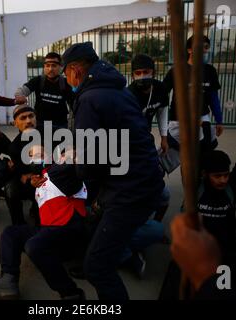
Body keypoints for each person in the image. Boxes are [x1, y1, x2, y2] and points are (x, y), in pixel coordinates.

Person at [62, 42, 165, 299]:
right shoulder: (119, 90)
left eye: (66, 74)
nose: (67, 80)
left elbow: (90, 165)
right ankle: (125, 254)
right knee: (95, 223)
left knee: (96, 267)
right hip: (143, 182)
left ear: (74, 70)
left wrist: (74, 160)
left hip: (129, 190)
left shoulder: (88, 98)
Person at [160, 104, 236, 300]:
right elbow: (191, 155)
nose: (223, 180)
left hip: (223, 254)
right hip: (194, 251)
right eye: (217, 176)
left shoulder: (231, 188)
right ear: (204, 175)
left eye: (226, 175)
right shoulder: (195, 188)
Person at [0, 145, 87, 300]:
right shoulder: (43, 177)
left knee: (35, 245)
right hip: (49, 232)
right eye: (33, 155)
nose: (37, 157)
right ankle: (8, 280)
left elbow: (73, 168)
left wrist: (74, 158)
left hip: (68, 234)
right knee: (11, 233)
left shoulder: (64, 174)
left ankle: (71, 294)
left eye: (41, 154)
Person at [128, 53, 171, 222]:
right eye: (137, 73)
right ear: (132, 75)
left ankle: (156, 225)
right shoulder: (128, 94)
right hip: (131, 142)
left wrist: (164, 137)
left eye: (146, 71)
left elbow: (162, 113)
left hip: (146, 139)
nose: (142, 76)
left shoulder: (160, 89)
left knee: (160, 186)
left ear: (153, 72)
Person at [163, 35, 223, 153]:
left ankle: (201, 171)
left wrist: (219, 120)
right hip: (179, 119)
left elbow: (213, 98)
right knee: (182, 155)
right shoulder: (177, 71)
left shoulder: (210, 71)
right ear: (189, 50)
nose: (204, 50)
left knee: (203, 153)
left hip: (202, 118)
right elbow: (163, 93)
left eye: (206, 47)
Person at [15, 52, 74, 129]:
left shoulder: (66, 83)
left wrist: (71, 126)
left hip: (60, 126)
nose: (50, 69)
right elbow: (22, 90)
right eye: (47, 65)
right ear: (44, 67)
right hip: (40, 125)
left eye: (54, 65)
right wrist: (19, 96)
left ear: (60, 67)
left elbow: (74, 106)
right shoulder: (38, 81)